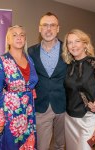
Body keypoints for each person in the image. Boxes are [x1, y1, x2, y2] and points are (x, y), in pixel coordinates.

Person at [0, 25, 38, 150]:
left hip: (28, 112)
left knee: (28, 144)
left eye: (22, 35)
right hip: (10, 113)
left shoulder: (30, 59)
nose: (19, 37)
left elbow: (30, 83)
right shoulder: (1, 61)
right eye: (14, 35)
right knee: (10, 145)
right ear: (8, 40)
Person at [62, 29, 95, 150]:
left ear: (85, 43)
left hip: (88, 120)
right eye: (70, 42)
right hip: (69, 119)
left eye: (77, 41)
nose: (73, 45)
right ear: (67, 46)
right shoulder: (68, 66)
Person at [28, 12, 67, 150]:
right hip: (41, 106)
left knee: (60, 145)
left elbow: (79, 75)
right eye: (45, 25)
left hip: (64, 106)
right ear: (39, 28)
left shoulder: (68, 49)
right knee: (41, 146)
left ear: (58, 28)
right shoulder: (31, 51)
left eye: (52, 25)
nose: (48, 29)